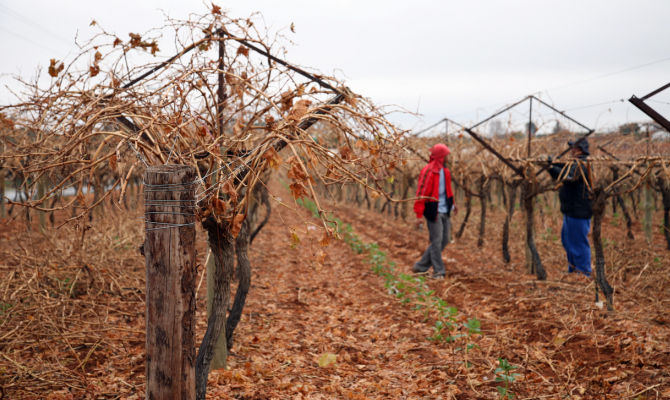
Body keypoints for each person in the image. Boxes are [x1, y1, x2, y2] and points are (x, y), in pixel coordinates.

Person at [547, 138, 593, 277]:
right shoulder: (576, 163)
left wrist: (550, 168)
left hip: (579, 211)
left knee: (578, 243)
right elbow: (564, 169)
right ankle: (573, 270)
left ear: (580, 150)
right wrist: (552, 164)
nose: (571, 150)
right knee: (568, 241)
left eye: (573, 148)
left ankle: (584, 272)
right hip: (571, 211)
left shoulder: (582, 165)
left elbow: (567, 176)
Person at [412, 143, 456, 279]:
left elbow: (448, 190)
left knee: (445, 240)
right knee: (436, 241)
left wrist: (453, 204)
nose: (448, 157)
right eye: (446, 155)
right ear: (441, 156)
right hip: (433, 210)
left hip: (445, 209)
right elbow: (421, 192)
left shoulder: (445, 171)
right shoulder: (429, 171)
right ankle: (438, 272)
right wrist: (419, 214)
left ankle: (421, 266)